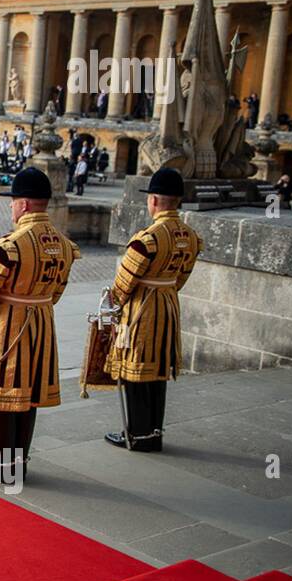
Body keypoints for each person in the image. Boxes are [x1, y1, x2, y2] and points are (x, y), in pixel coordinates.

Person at [0, 168, 80, 482]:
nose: (11, 207)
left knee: (1, 395)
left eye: (13, 202)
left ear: (25, 205)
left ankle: (1, 468)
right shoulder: (64, 245)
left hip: (7, 329)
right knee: (29, 395)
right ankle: (19, 463)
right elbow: (56, 293)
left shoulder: (10, 246)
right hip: (41, 325)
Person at [104, 168, 203, 452]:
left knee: (135, 372)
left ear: (155, 201)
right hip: (169, 304)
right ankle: (154, 431)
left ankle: (136, 434)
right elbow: (182, 277)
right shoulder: (190, 236)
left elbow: (123, 282)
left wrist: (115, 304)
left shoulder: (148, 239)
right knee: (159, 371)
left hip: (142, 308)